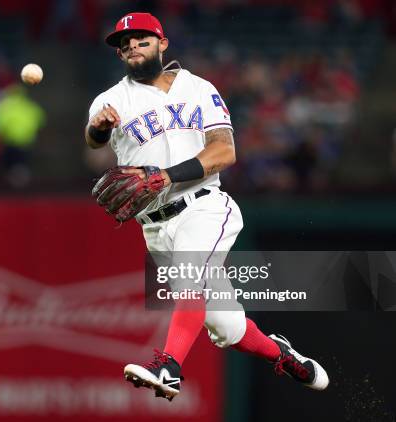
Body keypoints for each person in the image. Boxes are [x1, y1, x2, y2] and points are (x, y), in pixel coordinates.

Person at [85, 12, 329, 400]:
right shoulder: (111, 99)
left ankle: (168, 366)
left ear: (162, 43)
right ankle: (281, 353)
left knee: (189, 279)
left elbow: (224, 151)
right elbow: (94, 139)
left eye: (142, 38)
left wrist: (165, 176)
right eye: (123, 42)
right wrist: (99, 127)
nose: (132, 45)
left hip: (204, 207)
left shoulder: (197, 88)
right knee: (226, 327)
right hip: (154, 227)